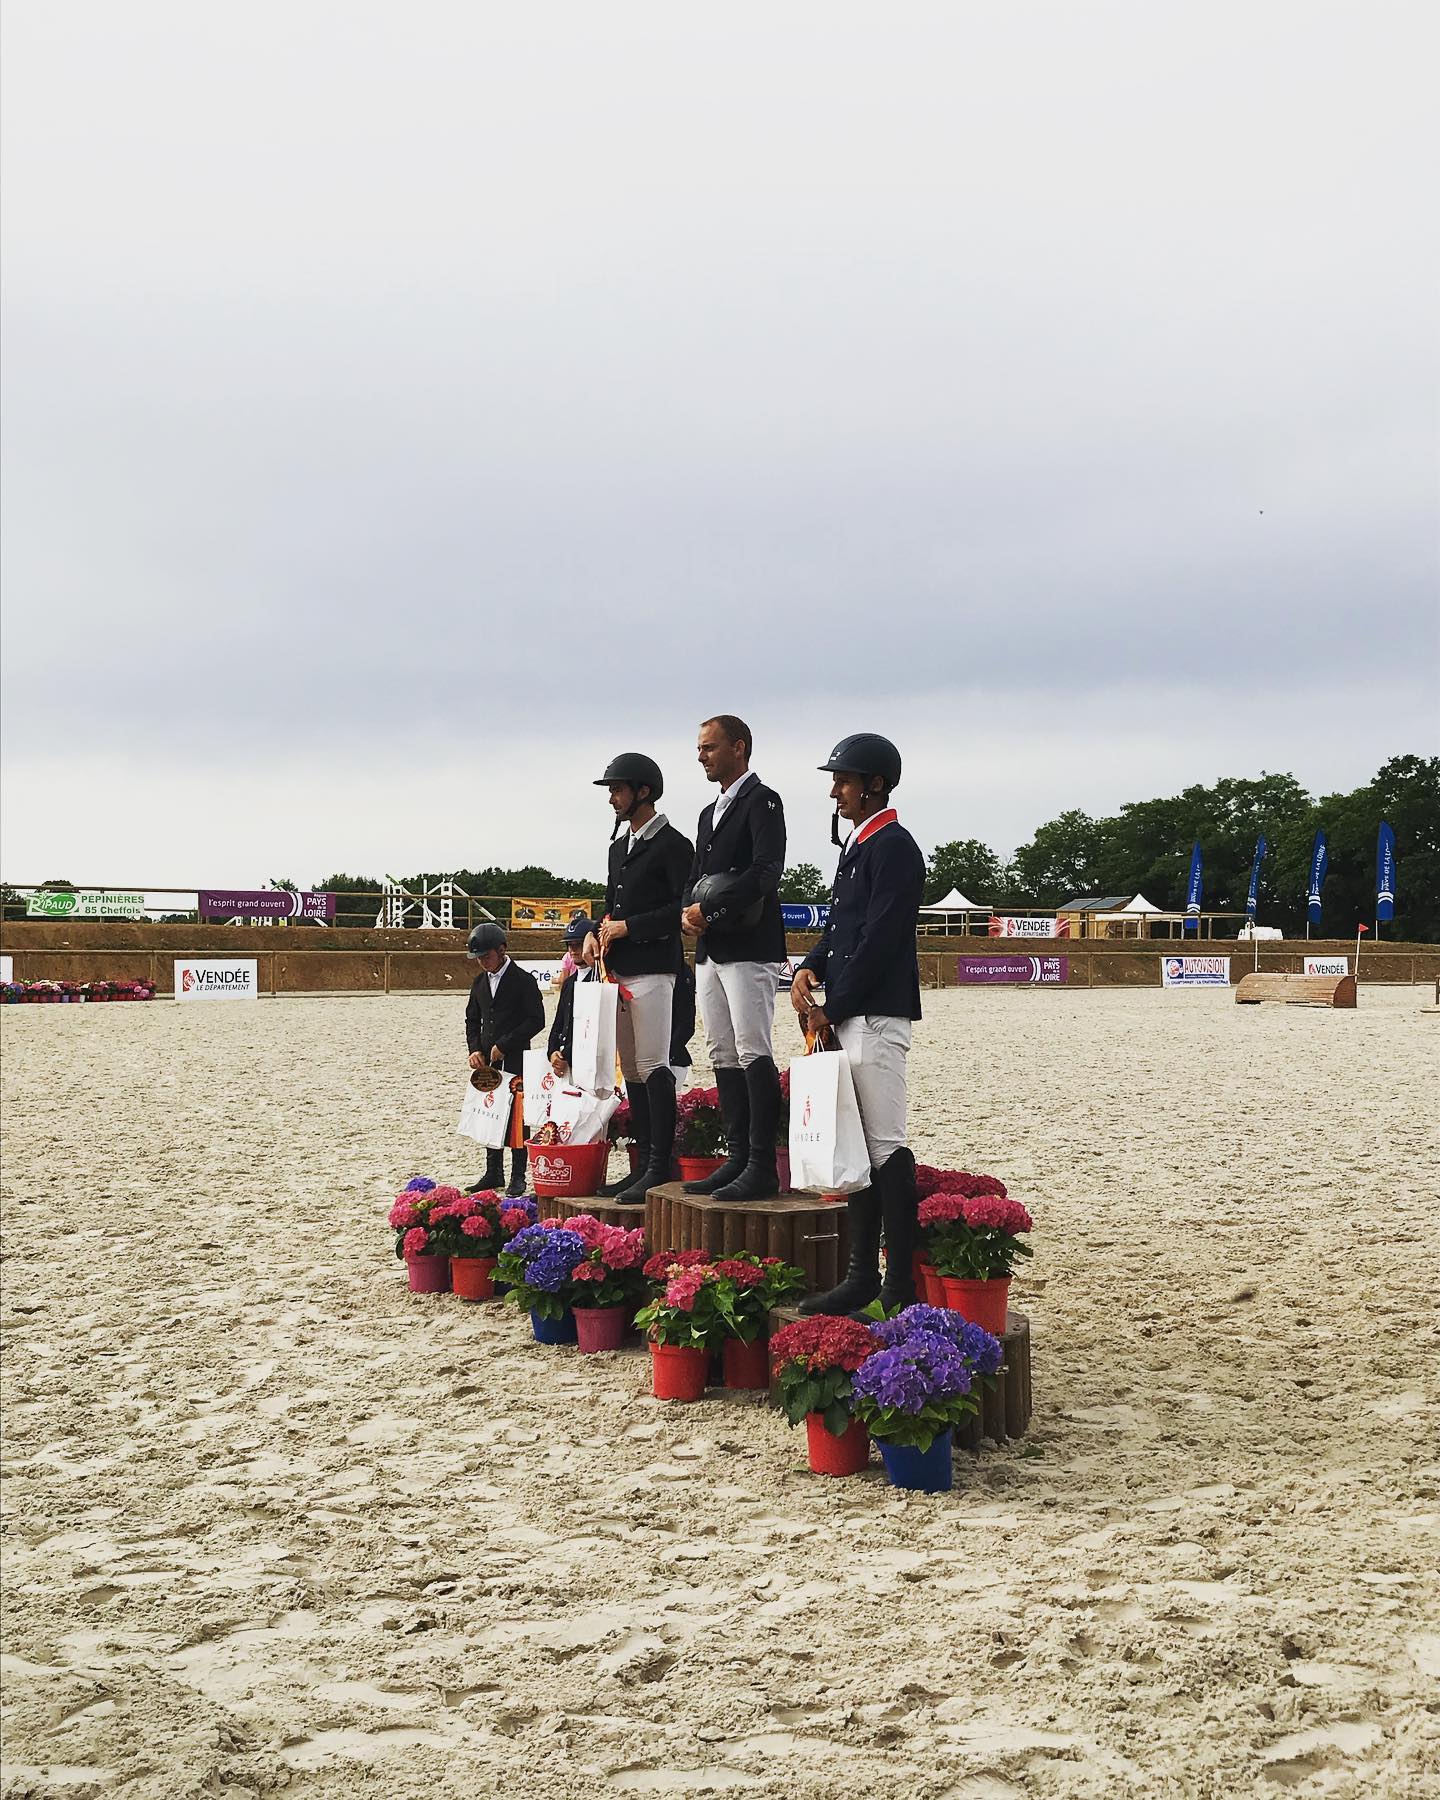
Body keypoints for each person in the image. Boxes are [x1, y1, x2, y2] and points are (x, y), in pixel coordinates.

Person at [791, 733, 925, 1315]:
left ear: (873, 783)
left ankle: (895, 1284)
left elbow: (879, 940)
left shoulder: (894, 847)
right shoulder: (858, 847)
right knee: (858, 1147)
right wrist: (810, 965)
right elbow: (842, 930)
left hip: (873, 1015)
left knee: (885, 1148)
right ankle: (861, 1276)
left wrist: (834, 1006)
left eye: (843, 780)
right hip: (851, 1011)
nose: (834, 790)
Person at [680, 714, 787, 1200]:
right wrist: (688, 909)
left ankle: (762, 1163)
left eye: (709, 747)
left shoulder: (763, 801)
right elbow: (697, 873)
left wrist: (713, 907)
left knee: (752, 1048)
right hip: (711, 947)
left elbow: (767, 871)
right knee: (721, 1050)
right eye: (700, 749)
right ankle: (737, 1155)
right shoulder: (709, 813)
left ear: (738, 748)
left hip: (749, 944)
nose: (701, 756)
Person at [585, 753, 694, 1206]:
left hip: (654, 967)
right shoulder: (618, 848)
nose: (612, 798)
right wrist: (596, 931)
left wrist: (629, 928)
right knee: (630, 1069)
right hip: (620, 967)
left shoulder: (675, 845)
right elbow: (614, 902)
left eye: (617, 790)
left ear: (642, 791)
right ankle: (642, 1160)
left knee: (653, 1066)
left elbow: (681, 908)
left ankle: (658, 1165)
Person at [463, 921, 545, 1197]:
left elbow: (536, 1020)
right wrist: (474, 1048)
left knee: (517, 1118)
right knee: (489, 1113)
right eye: (479, 959)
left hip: (516, 1060)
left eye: (487, 957)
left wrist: (506, 1045)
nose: (483, 963)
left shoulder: (523, 980)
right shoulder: (479, 982)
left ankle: (518, 1175)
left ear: (502, 950)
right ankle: (493, 1171)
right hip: (487, 1062)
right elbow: (472, 1019)